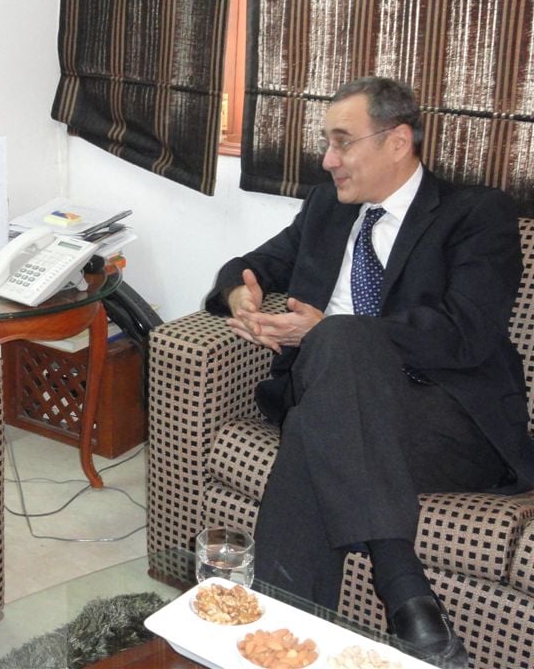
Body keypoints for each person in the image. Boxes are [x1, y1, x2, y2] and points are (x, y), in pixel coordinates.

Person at [206, 76, 534, 668]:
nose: (328, 160)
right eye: (326, 143)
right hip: (341, 406)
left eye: (342, 142)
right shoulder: (329, 209)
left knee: (320, 403)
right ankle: (404, 596)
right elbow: (249, 264)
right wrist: (240, 296)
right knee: (326, 395)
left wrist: (328, 335)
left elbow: (467, 332)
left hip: (449, 421)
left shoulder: (476, 214)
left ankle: (281, 631)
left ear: (398, 140)